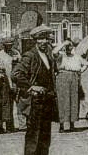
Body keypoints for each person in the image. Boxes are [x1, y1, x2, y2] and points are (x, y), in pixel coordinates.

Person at [13, 25, 58, 155]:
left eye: (46, 39)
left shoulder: (48, 56)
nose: (44, 42)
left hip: (47, 99)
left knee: (45, 135)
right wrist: (31, 86)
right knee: (34, 135)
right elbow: (16, 74)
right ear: (35, 40)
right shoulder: (30, 55)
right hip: (35, 101)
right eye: (40, 39)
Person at [53, 37, 87, 133]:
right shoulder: (61, 56)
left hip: (74, 77)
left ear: (73, 47)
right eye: (67, 47)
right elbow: (54, 52)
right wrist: (64, 43)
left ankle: (72, 124)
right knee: (62, 100)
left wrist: (81, 70)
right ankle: (62, 125)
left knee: (73, 100)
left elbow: (86, 64)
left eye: (70, 46)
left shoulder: (76, 56)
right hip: (62, 77)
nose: (68, 48)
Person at [0, 36, 23, 131]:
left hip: (17, 81)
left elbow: (22, 65)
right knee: (7, 104)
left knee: (20, 102)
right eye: (7, 45)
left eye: (10, 45)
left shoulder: (16, 53)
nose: (9, 47)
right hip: (6, 82)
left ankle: (22, 124)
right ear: (4, 46)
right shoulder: (0, 55)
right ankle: (9, 125)